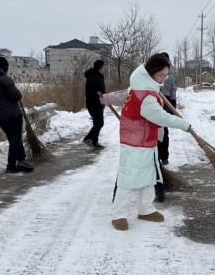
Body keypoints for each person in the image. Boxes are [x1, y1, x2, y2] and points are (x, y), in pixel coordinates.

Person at [111, 53, 192, 231]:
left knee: (148, 176)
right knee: (128, 177)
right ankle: (119, 214)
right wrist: (183, 124)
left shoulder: (144, 88)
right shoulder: (145, 95)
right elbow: (161, 117)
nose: (163, 79)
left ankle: (145, 209)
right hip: (134, 142)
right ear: (151, 72)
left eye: (165, 75)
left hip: (146, 140)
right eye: (161, 75)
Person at [155, 52, 177, 202]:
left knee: (162, 129)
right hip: (163, 99)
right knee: (162, 129)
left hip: (164, 100)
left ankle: (162, 156)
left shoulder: (167, 71)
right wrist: (173, 106)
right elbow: (173, 89)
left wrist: (172, 105)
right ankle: (163, 157)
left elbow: (172, 87)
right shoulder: (169, 70)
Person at [82, 59, 107, 148]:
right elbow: (100, 91)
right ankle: (88, 138)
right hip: (95, 103)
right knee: (99, 123)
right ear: (101, 67)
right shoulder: (96, 77)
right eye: (103, 67)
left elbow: (98, 90)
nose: (104, 68)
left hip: (92, 102)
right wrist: (108, 95)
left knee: (97, 123)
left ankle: (94, 141)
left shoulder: (92, 75)